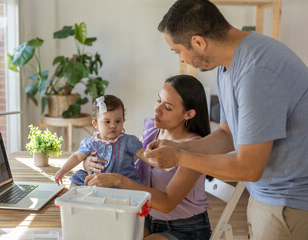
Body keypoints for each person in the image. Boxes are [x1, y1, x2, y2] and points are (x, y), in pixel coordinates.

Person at [144, 0, 308, 239]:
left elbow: (249, 167)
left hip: (289, 204)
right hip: (267, 197)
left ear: (199, 42)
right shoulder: (227, 66)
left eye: (178, 51)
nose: (181, 59)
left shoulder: (257, 71)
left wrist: (180, 156)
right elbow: (227, 135)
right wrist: (179, 146)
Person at [85, 75, 212, 240]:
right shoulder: (153, 131)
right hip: (148, 218)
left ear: (188, 114)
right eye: (158, 100)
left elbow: (166, 203)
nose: (157, 110)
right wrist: (89, 161)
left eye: (167, 107)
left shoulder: (195, 148)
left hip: (187, 228)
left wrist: (119, 181)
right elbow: (121, 158)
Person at [54, 94, 146, 188]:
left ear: (123, 121)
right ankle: (75, 200)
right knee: (76, 181)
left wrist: (153, 158)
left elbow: (143, 154)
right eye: (107, 122)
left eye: (117, 121)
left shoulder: (129, 141)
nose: (113, 125)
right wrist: (63, 170)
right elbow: (77, 156)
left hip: (122, 183)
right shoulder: (90, 143)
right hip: (95, 181)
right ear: (96, 124)